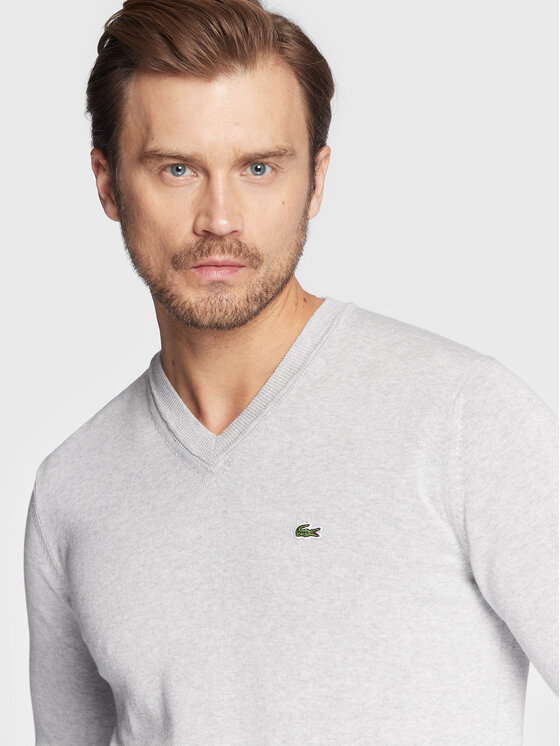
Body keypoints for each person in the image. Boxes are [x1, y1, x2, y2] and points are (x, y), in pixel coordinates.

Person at [23, 0, 558, 743]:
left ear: (315, 180)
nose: (219, 218)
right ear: (108, 183)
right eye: (176, 168)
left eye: (258, 168)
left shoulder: (465, 418)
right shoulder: (73, 488)